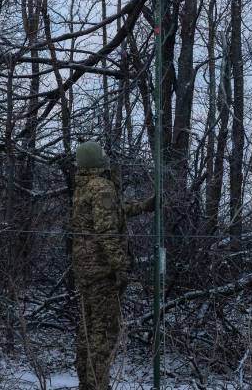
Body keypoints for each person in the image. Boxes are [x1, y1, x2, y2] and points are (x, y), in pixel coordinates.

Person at [70, 141, 151, 390]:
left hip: (85, 271)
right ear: (97, 160)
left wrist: (146, 206)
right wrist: (121, 266)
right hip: (102, 272)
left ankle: (86, 383)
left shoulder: (83, 186)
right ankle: (98, 385)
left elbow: (112, 213)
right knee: (103, 334)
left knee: (87, 330)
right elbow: (106, 230)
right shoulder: (101, 186)